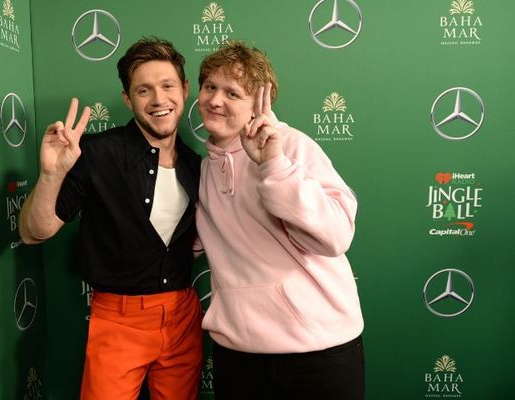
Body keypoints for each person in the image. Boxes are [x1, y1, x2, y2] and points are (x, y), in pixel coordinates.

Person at [19, 38, 202, 400]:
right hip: (119, 319)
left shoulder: (197, 164)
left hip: (183, 316)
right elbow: (33, 233)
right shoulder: (96, 153)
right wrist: (52, 175)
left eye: (167, 86)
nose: (159, 100)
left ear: (184, 89)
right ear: (127, 98)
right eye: (144, 90)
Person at [195, 41, 365, 399]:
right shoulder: (200, 170)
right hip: (239, 355)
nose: (215, 100)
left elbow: (336, 235)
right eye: (209, 86)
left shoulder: (292, 146)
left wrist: (273, 165)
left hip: (317, 352)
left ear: (259, 102)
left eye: (232, 93)